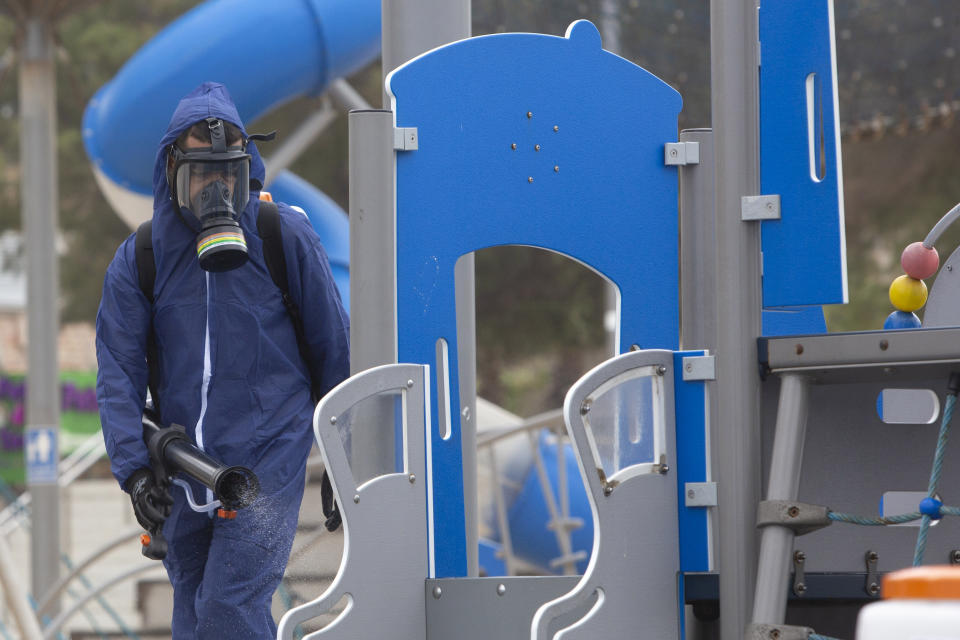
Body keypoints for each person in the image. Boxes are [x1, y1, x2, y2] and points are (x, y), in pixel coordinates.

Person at [95, 82, 350, 638]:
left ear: (246, 170)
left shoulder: (284, 236)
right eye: (201, 176)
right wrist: (137, 472)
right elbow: (118, 372)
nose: (216, 189)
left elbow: (335, 350)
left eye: (227, 174)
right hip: (183, 463)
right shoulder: (141, 258)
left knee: (228, 609)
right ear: (172, 173)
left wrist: (343, 453)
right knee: (191, 610)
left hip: (270, 457)